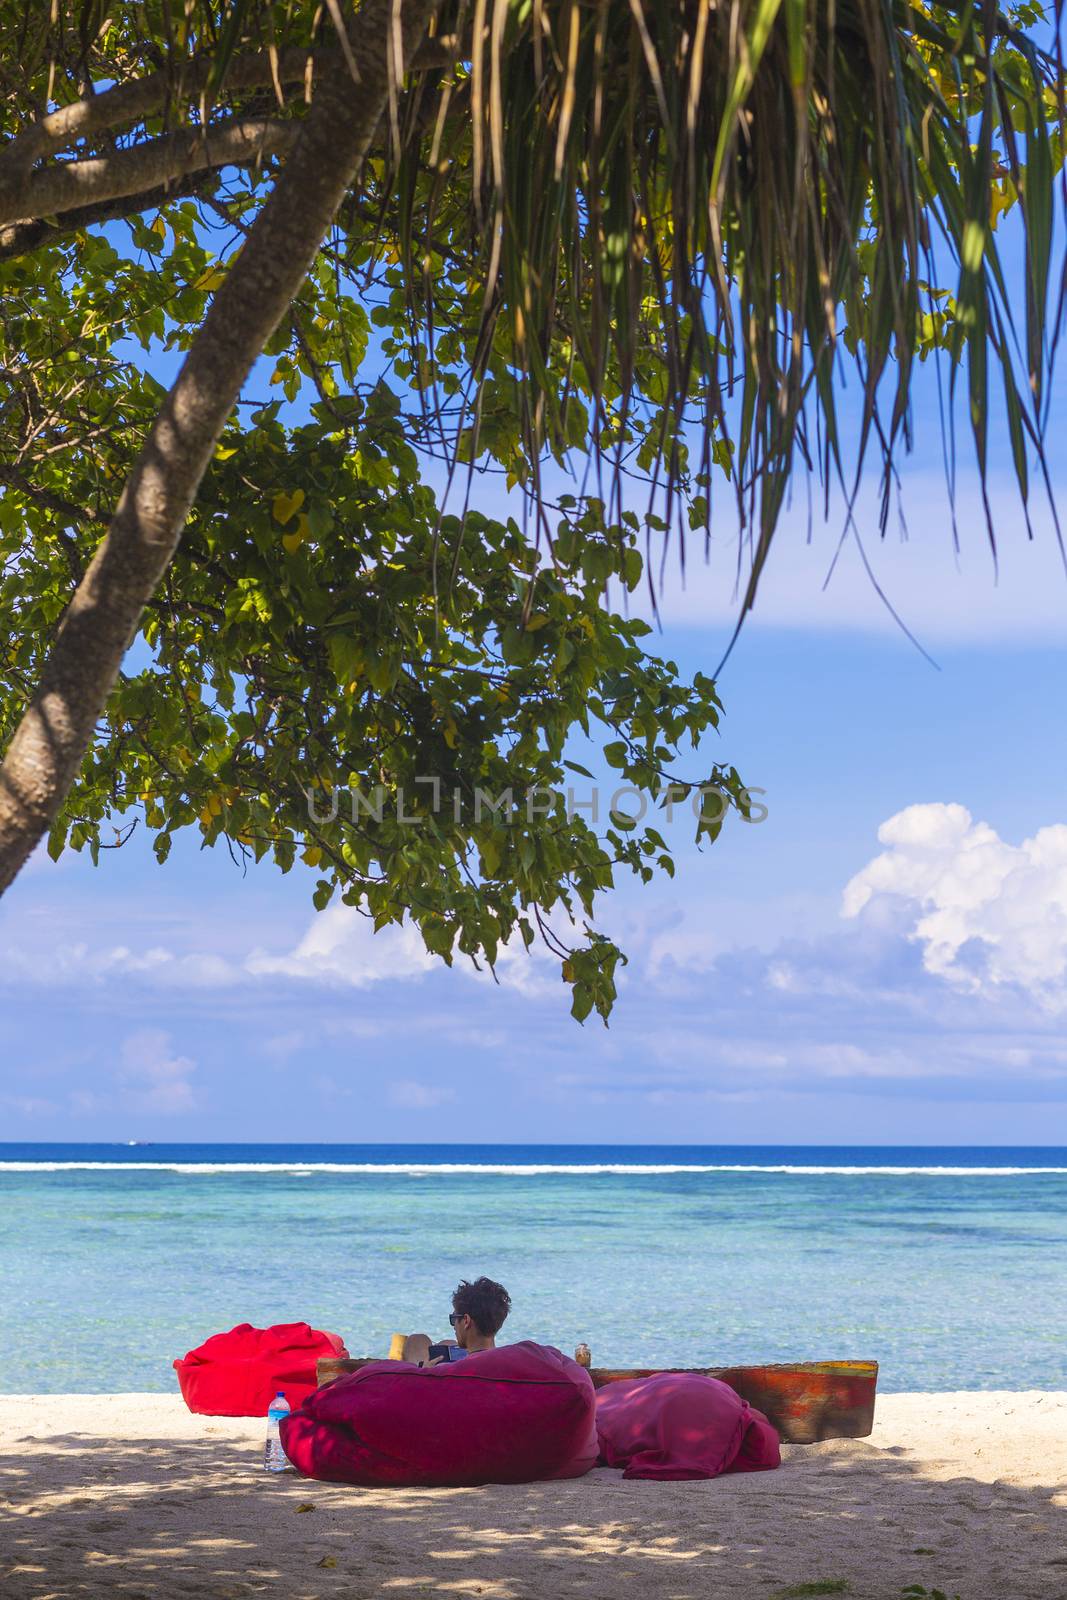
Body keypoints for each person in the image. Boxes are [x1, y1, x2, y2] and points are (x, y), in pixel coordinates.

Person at [402, 1277, 511, 1366]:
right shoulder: (507, 1363)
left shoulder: (447, 1371)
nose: (454, 1326)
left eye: (454, 1318)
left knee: (417, 1340)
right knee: (449, 1343)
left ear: (466, 1321)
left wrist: (424, 1373)